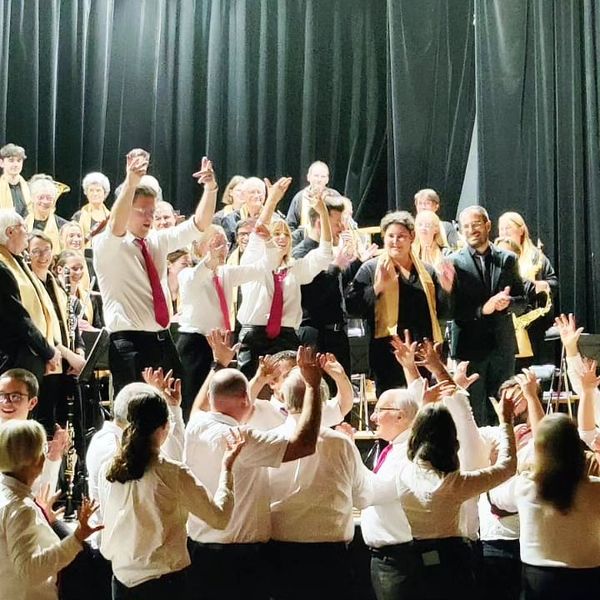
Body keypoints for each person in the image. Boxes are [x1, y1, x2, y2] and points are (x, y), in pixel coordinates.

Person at [184, 347, 323, 600]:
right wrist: (313, 387)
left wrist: (219, 364)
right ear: (245, 399)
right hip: (238, 559)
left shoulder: (195, 424)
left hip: (199, 551)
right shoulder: (241, 438)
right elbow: (304, 445)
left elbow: (200, 405)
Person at [99, 385, 244, 599]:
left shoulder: (108, 469)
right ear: (165, 426)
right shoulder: (172, 473)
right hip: (163, 584)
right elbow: (219, 518)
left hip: (121, 581)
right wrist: (227, 469)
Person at [92, 150, 217, 394]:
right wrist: (131, 183)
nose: (150, 217)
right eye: (142, 211)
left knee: (175, 403)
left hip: (162, 339)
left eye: (152, 211)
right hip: (129, 341)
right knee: (137, 407)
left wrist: (210, 189)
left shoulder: (156, 240)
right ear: (126, 210)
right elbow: (116, 225)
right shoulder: (107, 245)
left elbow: (199, 225)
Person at [266, 366, 376, 600]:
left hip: (279, 554)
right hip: (330, 557)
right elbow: (363, 497)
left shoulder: (268, 440)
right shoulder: (340, 444)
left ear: (284, 398)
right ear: (323, 399)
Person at [396, 397, 517, 599]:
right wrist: (506, 422)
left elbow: (416, 436)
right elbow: (508, 467)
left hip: (416, 558)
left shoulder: (404, 472)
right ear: (451, 440)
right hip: (451, 562)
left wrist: (425, 405)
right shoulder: (452, 485)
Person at [490, 413, 600, 599]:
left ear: (539, 449)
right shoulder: (596, 488)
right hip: (589, 580)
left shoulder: (525, 486)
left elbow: (494, 499)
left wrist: (508, 445)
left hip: (539, 581)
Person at [346, 210, 454, 396]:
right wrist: (378, 287)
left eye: (401, 236)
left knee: (422, 402)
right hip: (387, 353)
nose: (395, 241)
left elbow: (443, 312)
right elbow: (352, 308)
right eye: (391, 236)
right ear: (383, 238)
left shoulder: (427, 271)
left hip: (421, 353)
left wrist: (447, 289)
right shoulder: (371, 269)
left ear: (412, 237)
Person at [177, 224, 278, 419]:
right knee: (194, 401)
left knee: (218, 401)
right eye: (216, 244)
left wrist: (268, 242)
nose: (222, 249)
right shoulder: (188, 273)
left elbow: (263, 268)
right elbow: (193, 281)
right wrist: (209, 261)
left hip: (220, 345)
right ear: (199, 247)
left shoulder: (225, 273)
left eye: (225, 244)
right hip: (196, 343)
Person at [236, 178, 333, 377]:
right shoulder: (254, 263)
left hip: (286, 336)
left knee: (289, 387)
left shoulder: (295, 269)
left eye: (286, 234)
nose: (281, 237)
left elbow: (324, 253)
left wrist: (323, 213)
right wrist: (272, 201)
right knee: (252, 388)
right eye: (276, 233)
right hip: (255, 336)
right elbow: (258, 232)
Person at [0, 419, 101, 600]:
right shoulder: (21, 509)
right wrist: (76, 538)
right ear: (38, 461)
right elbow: (29, 571)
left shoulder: (8, 495)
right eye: (43, 450)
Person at [448, 206, 527, 426]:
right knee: (472, 411)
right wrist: (484, 309)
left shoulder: (508, 259)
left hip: (502, 346)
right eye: (466, 226)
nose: (471, 230)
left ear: (488, 225)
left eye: (476, 224)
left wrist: (508, 303)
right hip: (469, 348)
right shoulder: (453, 262)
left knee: (502, 409)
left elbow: (523, 302)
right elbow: (450, 310)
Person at [292, 196, 361, 381]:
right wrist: (335, 268)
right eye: (337, 223)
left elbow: (342, 291)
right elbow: (310, 299)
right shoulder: (300, 253)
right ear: (319, 223)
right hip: (315, 336)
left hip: (337, 335)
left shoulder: (334, 253)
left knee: (343, 392)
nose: (342, 228)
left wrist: (354, 261)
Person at [0, 209, 61, 382]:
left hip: (26, 354)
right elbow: (18, 317)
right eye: (23, 227)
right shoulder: (2, 267)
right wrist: (48, 351)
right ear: (10, 232)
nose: (27, 232)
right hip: (13, 356)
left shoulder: (16, 261)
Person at [497, 211, 558, 365]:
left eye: (508, 228)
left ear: (521, 230)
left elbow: (553, 284)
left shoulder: (536, 257)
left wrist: (541, 285)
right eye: (501, 229)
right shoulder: (497, 254)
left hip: (532, 319)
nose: (504, 232)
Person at [285, 161, 340, 231]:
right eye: (316, 176)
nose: (319, 180)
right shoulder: (300, 197)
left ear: (327, 179)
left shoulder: (335, 197)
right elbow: (289, 226)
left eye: (323, 177)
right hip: (304, 237)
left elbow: (346, 221)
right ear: (308, 177)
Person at [25, 176, 69, 254]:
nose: (45, 201)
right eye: (41, 197)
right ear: (32, 198)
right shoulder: (22, 224)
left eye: (49, 198)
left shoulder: (64, 226)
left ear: (54, 200)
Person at [221, 177, 266, 245]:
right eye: (252, 192)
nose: (256, 195)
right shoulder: (230, 219)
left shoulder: (274, 218)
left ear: (265, 196)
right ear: (243, 195)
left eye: (259, 192)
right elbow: (229, 247)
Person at [72, 172, 112, 245]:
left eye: (98, 190)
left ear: (105, 193)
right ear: (86, 193)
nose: (95, 194)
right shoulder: (78, 216)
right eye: (91, 190)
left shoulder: (111, 217)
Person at [0, 143, 30, 217]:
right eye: (11, 160)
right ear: (1, 163)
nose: (16, 164)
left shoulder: (30, 187)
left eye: (19, 161)